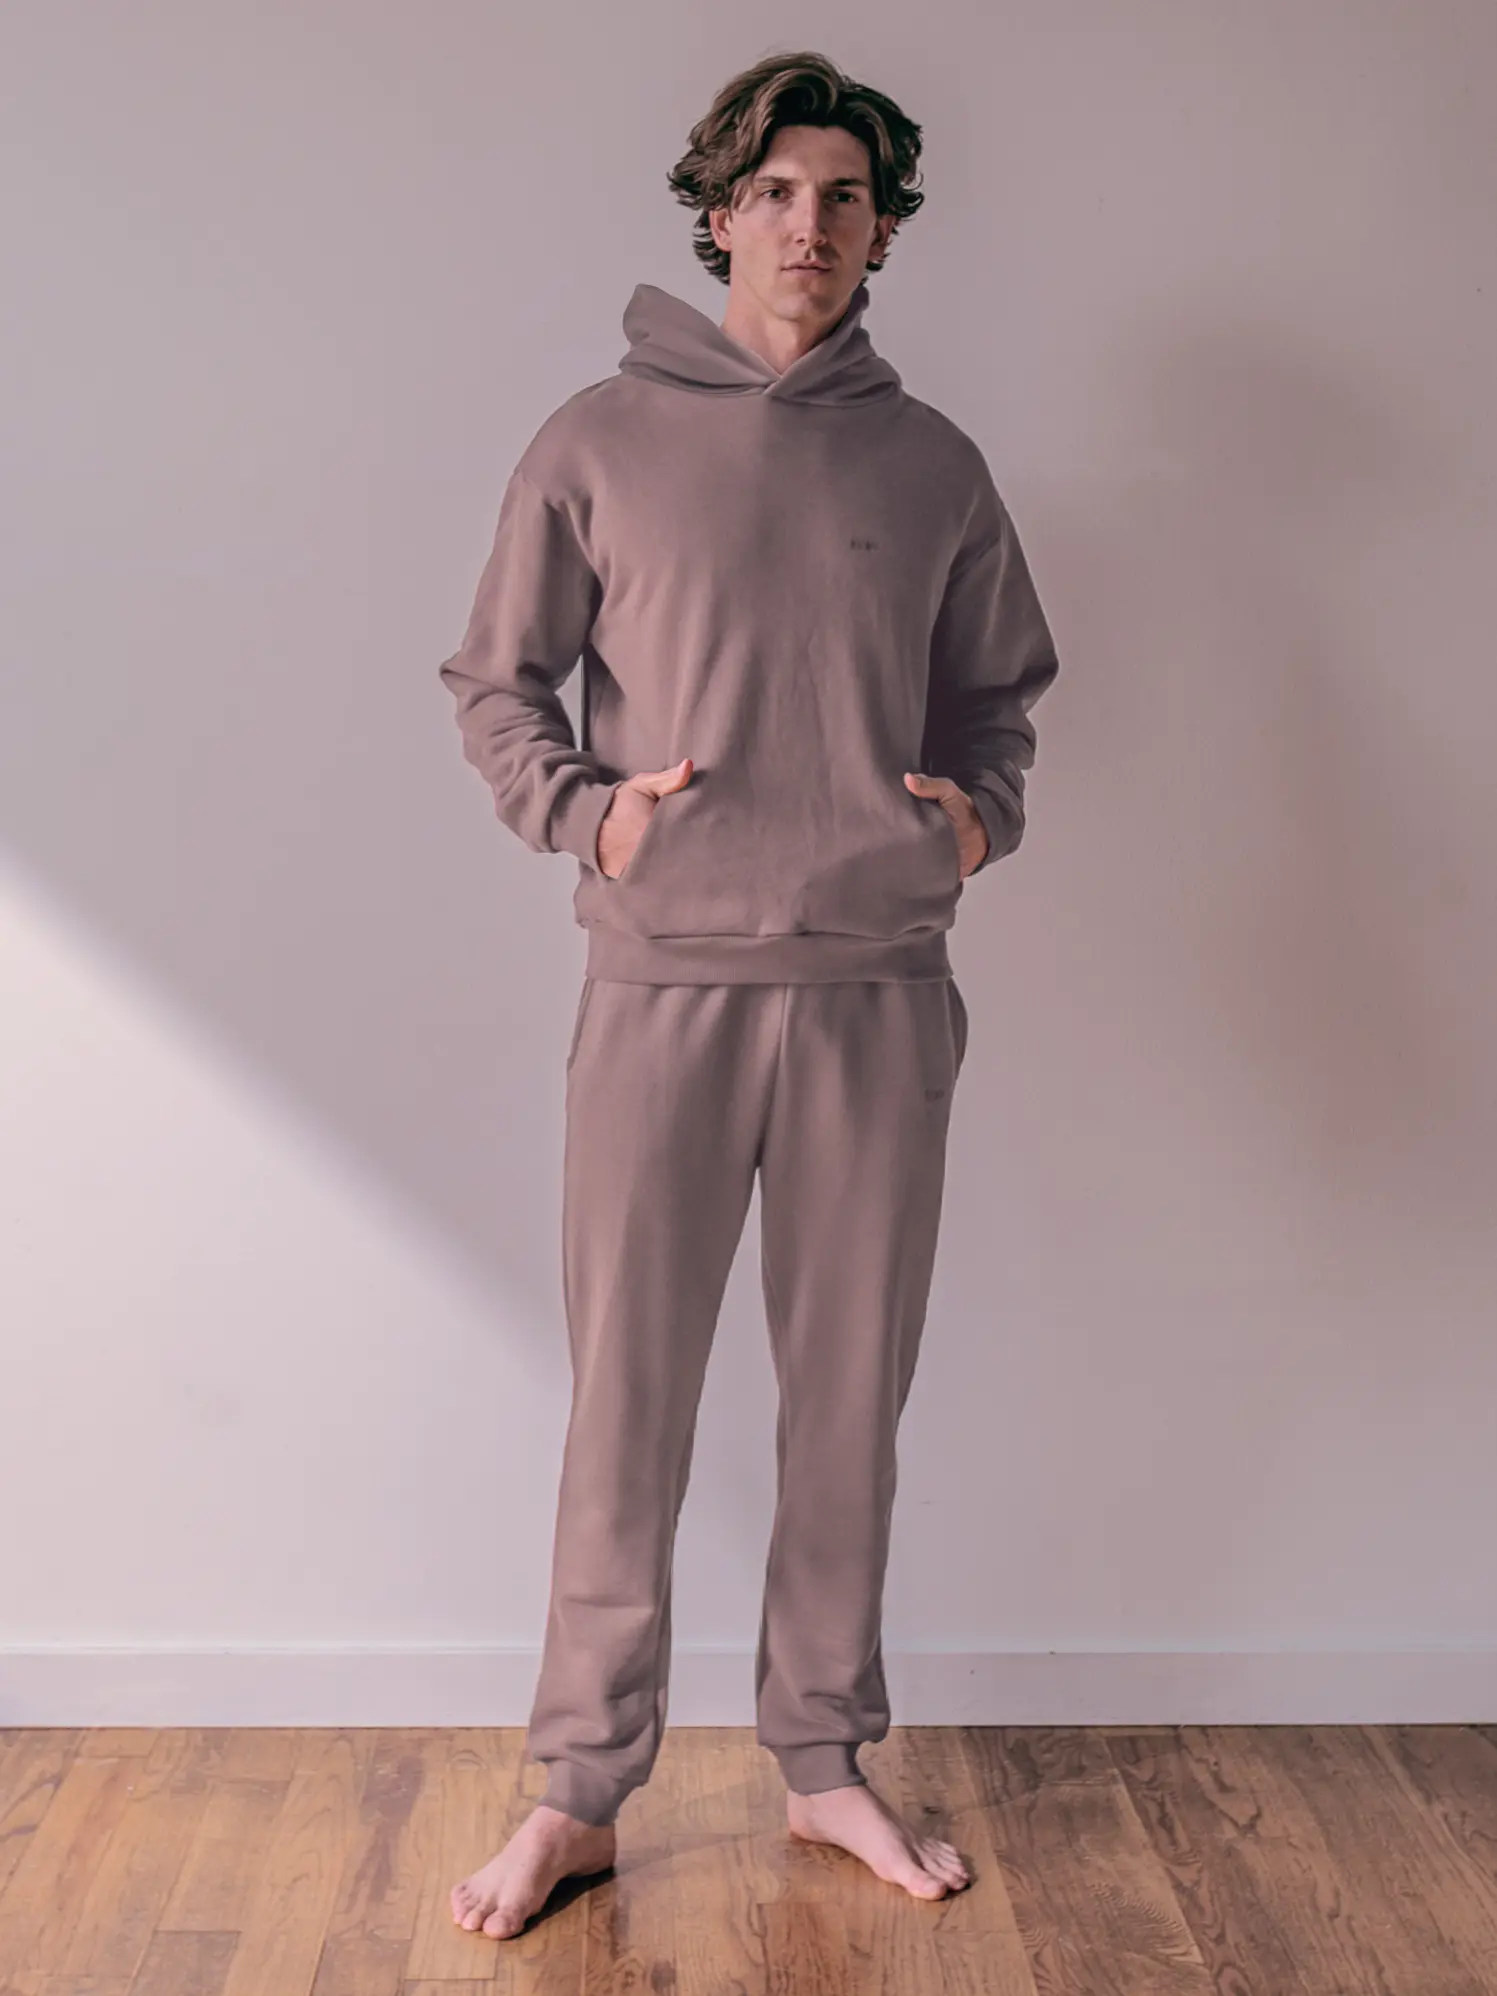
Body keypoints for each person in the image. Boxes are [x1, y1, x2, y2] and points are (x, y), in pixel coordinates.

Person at [438, 48, 1060, 1942]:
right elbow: (495, 683)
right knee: (629, 1398)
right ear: (720, 210)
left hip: (880, 988)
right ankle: (579, 1789)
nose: (811, 224)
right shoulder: (595, 442)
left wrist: (972, 822)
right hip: (664, 989)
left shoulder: (932, 461)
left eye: (845, 198)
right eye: (779, 191)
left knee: (845, 1399)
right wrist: (580, 813)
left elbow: (1001, 702)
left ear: (883, 231)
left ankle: (820, 1763)